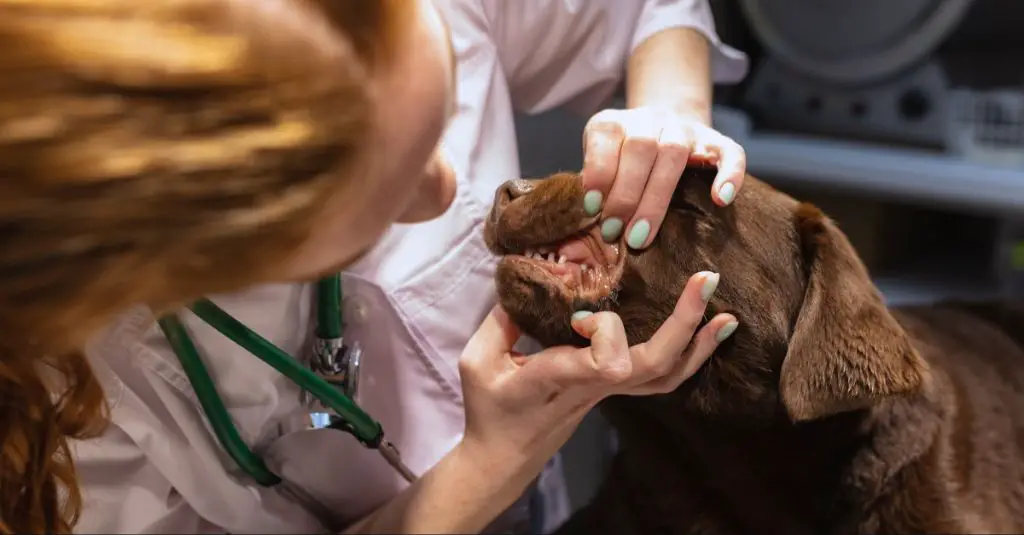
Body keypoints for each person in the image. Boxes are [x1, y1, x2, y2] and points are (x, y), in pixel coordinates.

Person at [30, 1, 751, 535]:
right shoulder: (73, 397)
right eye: (388, 195)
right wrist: (488, 464)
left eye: (442, 123)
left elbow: (649, 12)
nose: (448, 190)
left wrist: (671, 117)